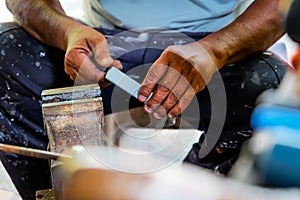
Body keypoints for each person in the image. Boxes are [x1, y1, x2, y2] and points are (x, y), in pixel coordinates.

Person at [0, 0, 289, 199]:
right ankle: (62, 189)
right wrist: (66, 32)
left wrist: (216, 50)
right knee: (6, 55)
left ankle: (198, 190)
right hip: (101, 49)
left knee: (274, 90)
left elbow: (281, 9)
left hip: (215, 45)